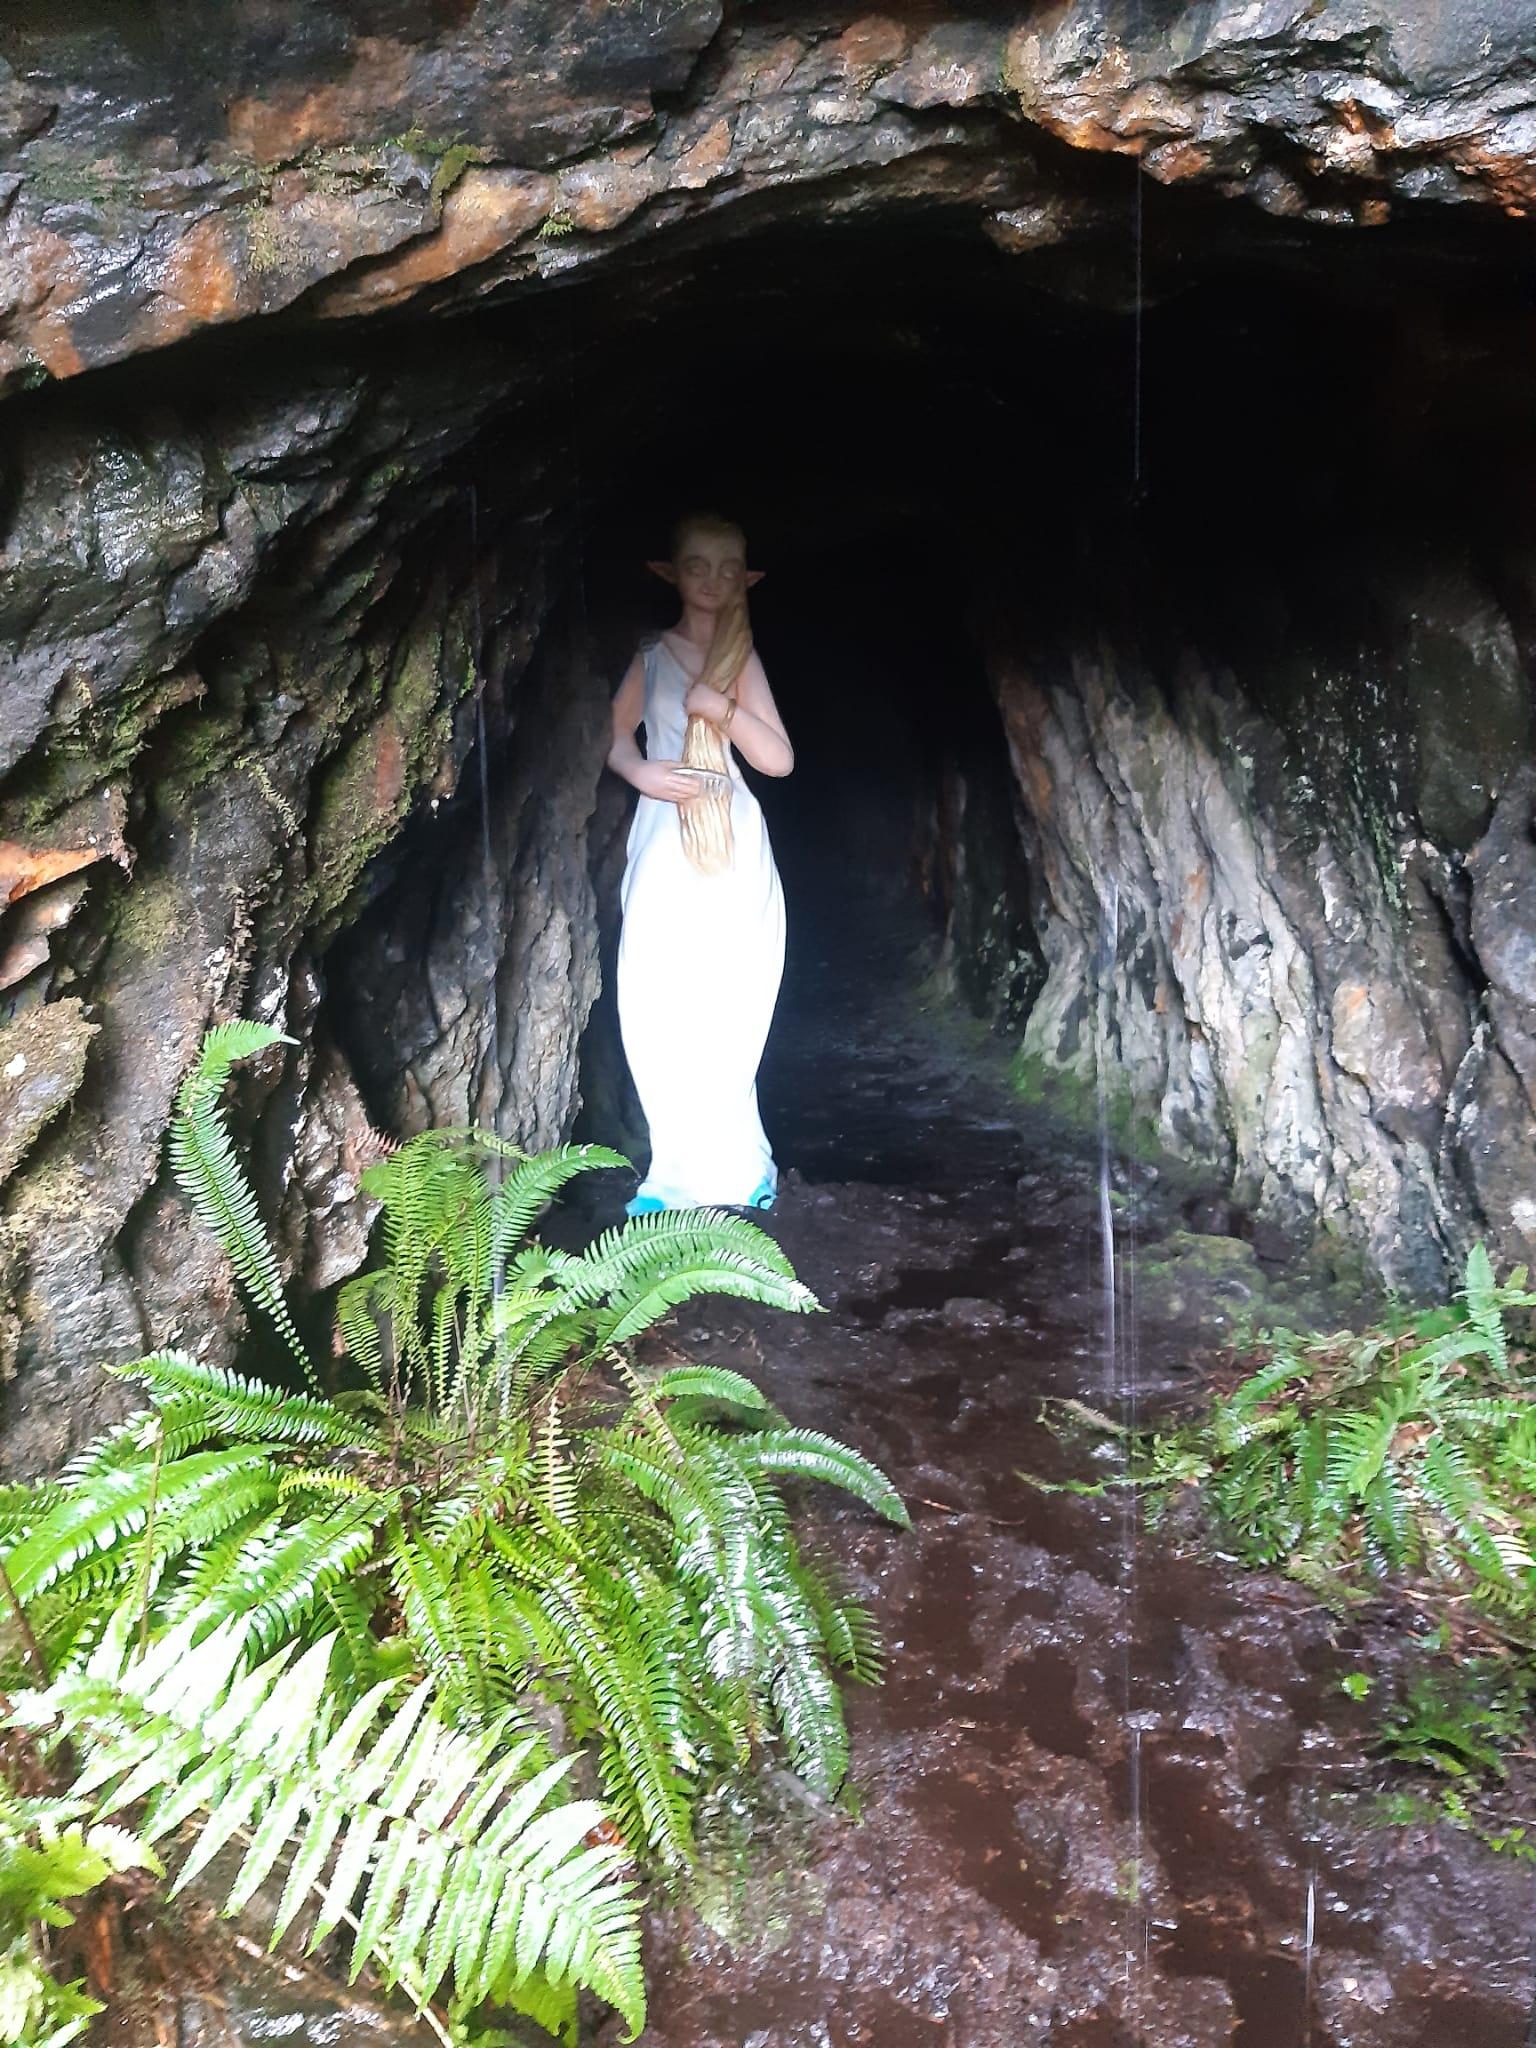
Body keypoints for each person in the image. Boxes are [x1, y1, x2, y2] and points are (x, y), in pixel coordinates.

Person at [606, 513, 794, 1215]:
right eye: (697, 566)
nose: (712, 581)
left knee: (729, 994)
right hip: (666, 834)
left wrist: (721, 710)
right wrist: (641, 772)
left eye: (727, 569)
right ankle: (673, 1172)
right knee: (658, 991)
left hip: (731, 840)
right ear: (672, 573)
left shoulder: (740, 659)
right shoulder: (652, 654)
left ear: (746, 579)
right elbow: (613, 734)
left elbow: (777, 758)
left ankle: (739, 1169)